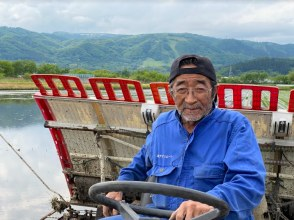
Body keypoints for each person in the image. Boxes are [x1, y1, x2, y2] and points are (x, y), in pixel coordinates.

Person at [101, 54, 266, 220]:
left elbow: (250, 183)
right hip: (162, 216)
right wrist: (119, 187)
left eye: (200, 89)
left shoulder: (235, 126)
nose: (191, 99)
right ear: (171, 92)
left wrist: (211, 201)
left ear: (214, 91)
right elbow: (139, 165)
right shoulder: (162, 126)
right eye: (181, 90)